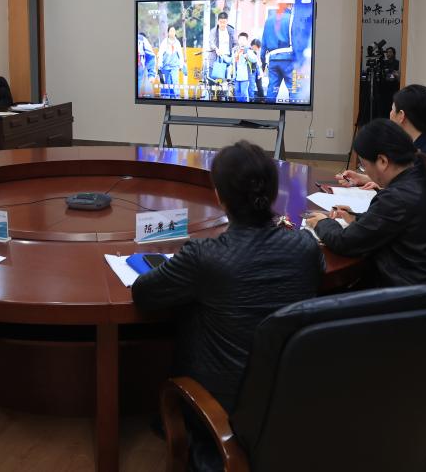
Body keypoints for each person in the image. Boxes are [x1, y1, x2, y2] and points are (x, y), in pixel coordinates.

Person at [133, 141, 324, 469]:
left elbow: (144, 294)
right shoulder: (304, 247)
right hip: (291, 399)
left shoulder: (205, 256)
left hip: (222, 408)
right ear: (272, 193)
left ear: (219, 196)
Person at [305, 119, 426, 297]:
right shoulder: (422, 175)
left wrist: (322, 223)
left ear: (382, 161)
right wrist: (356, 218)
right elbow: (394, 223)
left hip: (416, 299)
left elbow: (345, 242)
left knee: (319, 299)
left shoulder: (397, 197)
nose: (365, 171)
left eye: (364, 165)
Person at [338, 83, 426, 187]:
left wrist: (382, 189)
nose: (390, 114)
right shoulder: (415, 144)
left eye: (392, 109)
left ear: (401, 115)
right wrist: (362, 178)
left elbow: (412, 193)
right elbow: (403, 180)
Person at [260, 3, 295, 100]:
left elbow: (263, 44)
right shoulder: (292, 18)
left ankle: (268, 109)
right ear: (290, 6)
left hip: (272, 60)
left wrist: (263, 64)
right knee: (294, 91)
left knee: (272, 90)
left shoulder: (268, 20)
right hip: (289, 59)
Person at [206, 12, 237, 85]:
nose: (222, 24)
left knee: (227, 81)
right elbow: (211, 42)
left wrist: (234, 51)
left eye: (224, 22)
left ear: (227, 21)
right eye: (221, 22)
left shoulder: (231, 31)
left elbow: (236, 43)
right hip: (215, 59)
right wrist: (216, 49)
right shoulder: (213, 31)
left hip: (227, 59)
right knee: (213, 80)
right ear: (218, 21)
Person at [156, 26, 186, 99]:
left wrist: (181, 66)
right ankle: (166, 98)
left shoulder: (177, 43)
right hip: (165, 66)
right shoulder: (164, 42)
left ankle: (176, 98)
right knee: (166, 83)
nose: (172, 33)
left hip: (174, 66)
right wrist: (159, 65)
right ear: (168, 32)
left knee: (175, 82)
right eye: (171, 31)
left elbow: (180, 55)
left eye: (174, 31)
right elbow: (160, 54)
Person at [232, 32, 262, 102]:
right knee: (237, 92)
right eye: (240, 39)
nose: (242, 41)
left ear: (246, 41)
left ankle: (245, 106)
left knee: (244, 93)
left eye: (244, 40)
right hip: (236, 76)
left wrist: (247, 56)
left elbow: (254, 59)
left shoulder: (249, 50)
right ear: (238, 40)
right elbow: (232, 60)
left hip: (245, 77)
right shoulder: (235, 50)